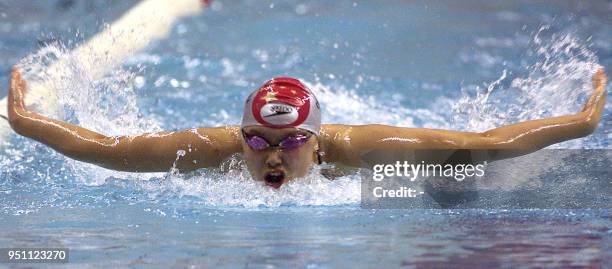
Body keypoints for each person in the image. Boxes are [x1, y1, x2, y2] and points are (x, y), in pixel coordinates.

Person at [6, 66, 608, 188]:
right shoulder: (210, 152)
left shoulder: (358, 152)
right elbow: (107, 149)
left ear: (316, 139)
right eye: (259, 141)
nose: (274, 156)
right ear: (239, 136)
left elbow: (482, 145)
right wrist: (28, 123)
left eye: (293, 140)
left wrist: (580, 124)